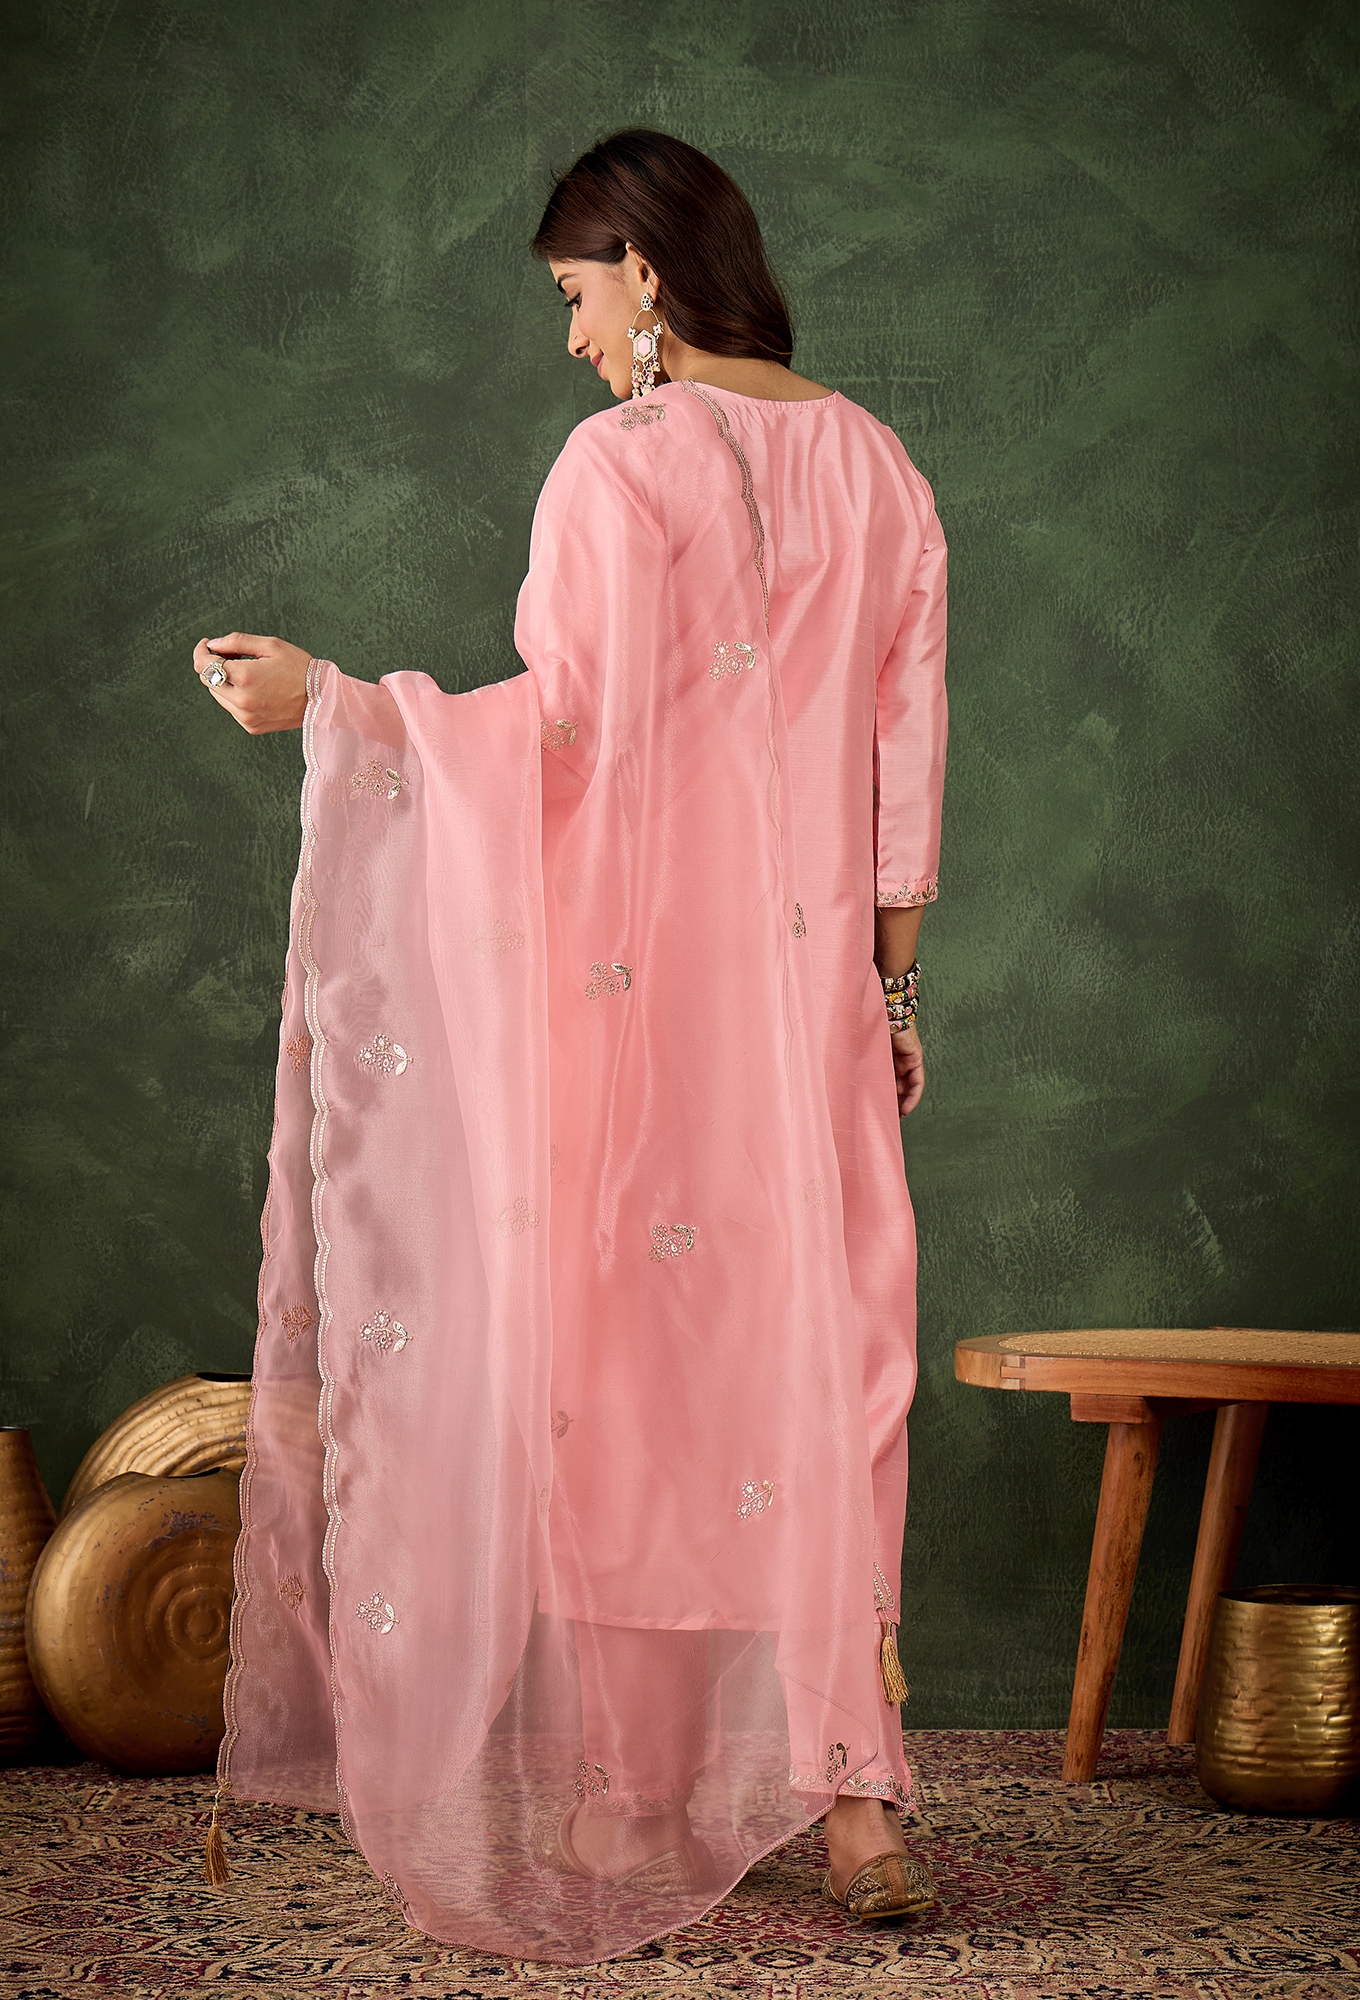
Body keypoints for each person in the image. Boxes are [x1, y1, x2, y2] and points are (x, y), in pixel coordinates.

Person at [195, 129, 947, 1965]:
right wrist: (893, 993)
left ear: (649, 270)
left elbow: (561, 733)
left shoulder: (621, 464)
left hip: (641, 1002)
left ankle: (639, 1792)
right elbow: (906, 758)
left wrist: (341, 708)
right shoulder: (882, 468)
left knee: (634, 1369)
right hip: (813, 1012)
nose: (572, 338)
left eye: (575, 293)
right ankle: (854, 1798)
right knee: (827, 1373)